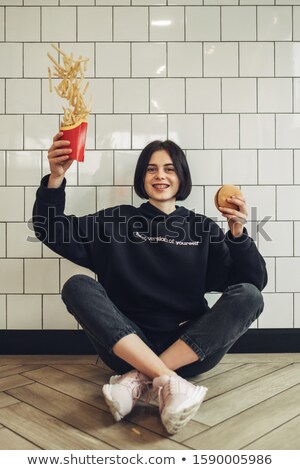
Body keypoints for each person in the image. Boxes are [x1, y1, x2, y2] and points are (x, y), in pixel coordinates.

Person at [32, 133, 267, 435]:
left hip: (190, 349)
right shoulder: (114, 222)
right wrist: (55, 177)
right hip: (124, 346)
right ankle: (165, 379)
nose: (160, 176)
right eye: (151, 169)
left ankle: (139, 379)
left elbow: (252, 284)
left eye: (169, 168)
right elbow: (50, 229)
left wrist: (237, 233)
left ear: (181, 177)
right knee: (77, 285)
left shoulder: (202, 228)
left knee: (249, 295)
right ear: (141, 177)